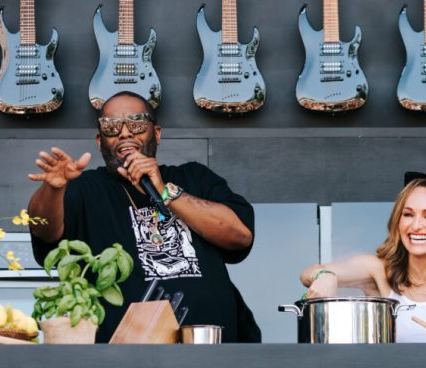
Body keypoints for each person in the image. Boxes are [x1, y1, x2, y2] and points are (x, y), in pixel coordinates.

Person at [27, 91, 261, 343]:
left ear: (156, 133)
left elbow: (241, 235)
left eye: (137, 123)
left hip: (211, 346)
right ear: (99, 140)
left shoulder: (194, 177)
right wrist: (54, 188)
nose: (125, 133)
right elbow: (44, 231)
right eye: (111, 126)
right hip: (126, 357)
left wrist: (165, 192)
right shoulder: (85, 188)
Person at [300, 172, 426, 342]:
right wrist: (325, 276)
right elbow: (308, 273)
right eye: (408, 215)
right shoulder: (377, 270)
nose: (415, 226)